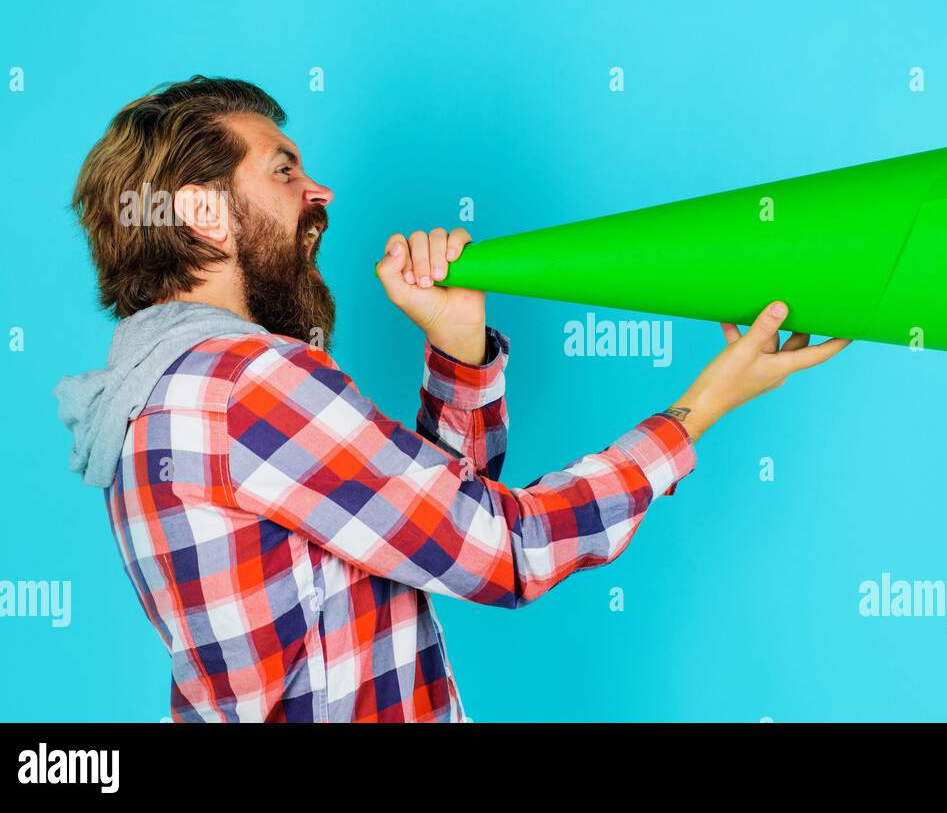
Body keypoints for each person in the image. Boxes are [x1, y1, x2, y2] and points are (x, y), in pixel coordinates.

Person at [54, 76, 851, 722]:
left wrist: (458, 347)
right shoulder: (246, 386)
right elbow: (505, 550)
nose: (319, 193)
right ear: (203, 215)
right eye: (284, 170)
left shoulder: (150, 395)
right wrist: (703, 405)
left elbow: (414, 532)